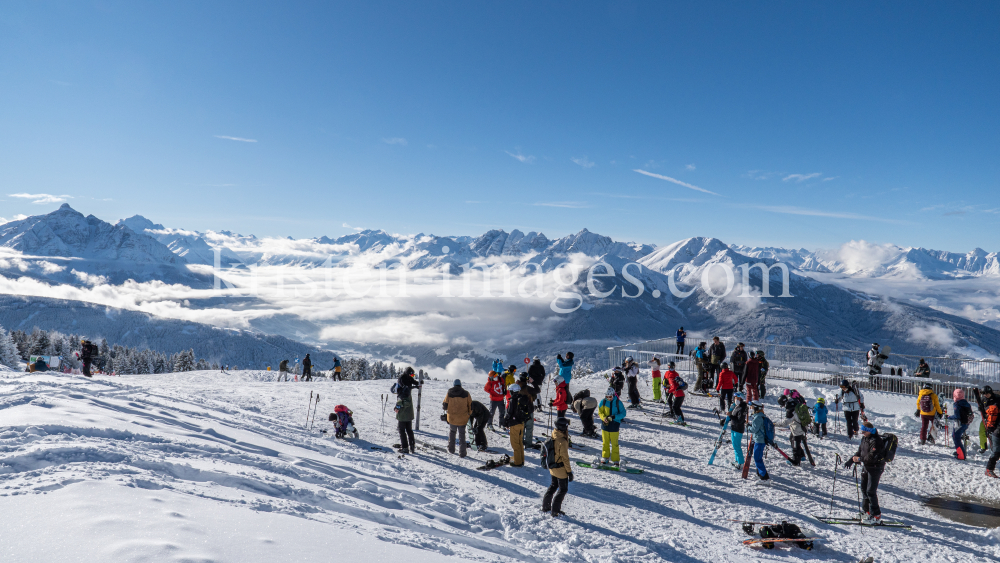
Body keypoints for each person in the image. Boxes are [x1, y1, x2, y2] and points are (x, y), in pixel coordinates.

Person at [848, 422, 888, 524]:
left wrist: (859, 459)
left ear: (869, 431)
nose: (862, 433)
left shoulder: (876, 441)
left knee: (871, 491)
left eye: (864, 431)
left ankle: (876, 515)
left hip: (875, 468)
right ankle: (866, 511)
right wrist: (852, 460)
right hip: (866, 467)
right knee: (864, 489)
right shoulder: (865, 439)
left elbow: (872, 457)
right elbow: (860, 451)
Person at [541, 417, 573, 518]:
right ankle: (555, 510)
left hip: (552, 466)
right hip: (560, 468)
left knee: (553, 486)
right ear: (563, 427)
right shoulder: (562, 441)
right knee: (563, 489)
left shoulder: (554, 433)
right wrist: (569, 472)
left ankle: (546, 507)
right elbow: (565, 458)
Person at [504, 383, 533, 467]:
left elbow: (509, 413)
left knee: (515, 443)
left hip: (514, 424)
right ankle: (521, 460)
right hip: (521, 423)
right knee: (520, 442)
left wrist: (506, 422)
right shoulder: (522, 399)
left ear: (513, 391)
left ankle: (517, 462)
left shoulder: (513, 400)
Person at [442, 379, 472, 458]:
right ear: (460, 384)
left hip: (452, 418)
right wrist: (469, 414)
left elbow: (445, 405)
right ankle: (462, 453)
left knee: (452, 433)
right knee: (462, 435)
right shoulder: (466, 393)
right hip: (463, 418)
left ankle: (451, 449)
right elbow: (470, 405)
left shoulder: (449, 392)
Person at [394, 367, 420, 454]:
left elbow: (401, 404)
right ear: (407, 373)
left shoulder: (402, 395)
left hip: (403, 416)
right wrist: (414, 386)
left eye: (413, 375)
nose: (412, 376)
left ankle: (405, 448)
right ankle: (412, 446)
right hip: (409, 415)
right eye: (411, 374)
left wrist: (417, 384)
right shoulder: (402, 379)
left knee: (402, 431)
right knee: (409, 430)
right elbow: (406, 386)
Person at [598, 387, 627, 465]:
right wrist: (604, 418)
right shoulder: (603, 402)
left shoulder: (618, 403)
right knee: (605, 442)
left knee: (614, 443)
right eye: (607, 397)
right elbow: (600, 412)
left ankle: (615, 459)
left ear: (613, 395)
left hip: (614, 425)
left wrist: (614, 417)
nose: (608, 398)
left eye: (610, 397)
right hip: (605, 425)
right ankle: (605, 456)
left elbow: (623, 413)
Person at [748, 401, 772, 480]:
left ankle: (765, 478)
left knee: (757, 458)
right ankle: (760, 474)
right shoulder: (761, 416)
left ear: (756, 408)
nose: (750, 408)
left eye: (752, 407)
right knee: (758, 457)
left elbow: (754, 430)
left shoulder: (758, 417)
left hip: (759, 440)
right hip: (760, 440)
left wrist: (748, 427)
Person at [948, 389, 973, 460]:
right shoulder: (966, 403)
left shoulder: (957, 404)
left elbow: (957, 416)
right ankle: (960, 452)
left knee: (956, 438)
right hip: (966, 423)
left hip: (959, 424)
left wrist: (949, 417)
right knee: (957, 437)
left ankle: (961, 455)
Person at [728, 392, 748, 469]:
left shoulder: (742, 408)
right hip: (734, 428)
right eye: (735, 398)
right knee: (734, 445)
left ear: (741, 399)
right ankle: (737, 460)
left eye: (737, 398)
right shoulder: (737, 406)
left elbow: (739, 420)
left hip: (738, 429)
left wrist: (731, 416)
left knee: (737, 446)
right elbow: (734, 416)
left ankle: (740, 462)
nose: (735, 399)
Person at [519, 373, 538, 449]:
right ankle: (528, 444)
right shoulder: (528, 388)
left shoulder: (517, 387)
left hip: (520, 411)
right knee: (529, 428)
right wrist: (533, 382)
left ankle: (520, 443)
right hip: (529, 410)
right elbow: (537, 390)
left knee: (521, 428)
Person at [978, 386, 997, 455]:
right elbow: (982, 408)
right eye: (984, 394)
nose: (985, 395)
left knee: (994, 434)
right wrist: (980, 409)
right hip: (986, 418)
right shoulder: (983, 399)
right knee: (982, 431)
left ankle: (996, 448)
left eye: (986, 393)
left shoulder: (997, 398)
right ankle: (983, 446)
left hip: (996, 420)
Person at [985, 393, 1000, 478]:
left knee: (996, 452)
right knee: (996, 452)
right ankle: (989, 470)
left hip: (996, 431)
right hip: (997, 432)